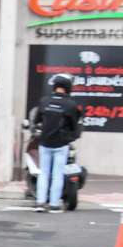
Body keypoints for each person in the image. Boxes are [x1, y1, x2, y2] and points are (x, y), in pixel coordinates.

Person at [28, 73, 81, 213]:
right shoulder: (70, 104)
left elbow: (37, 119)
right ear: (68, 87)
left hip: (45, 142)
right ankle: (54, 205)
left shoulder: (44, 101)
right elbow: (75, 126)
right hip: (62, 143)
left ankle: (40, 203)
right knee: (58, 173)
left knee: (44, 172)